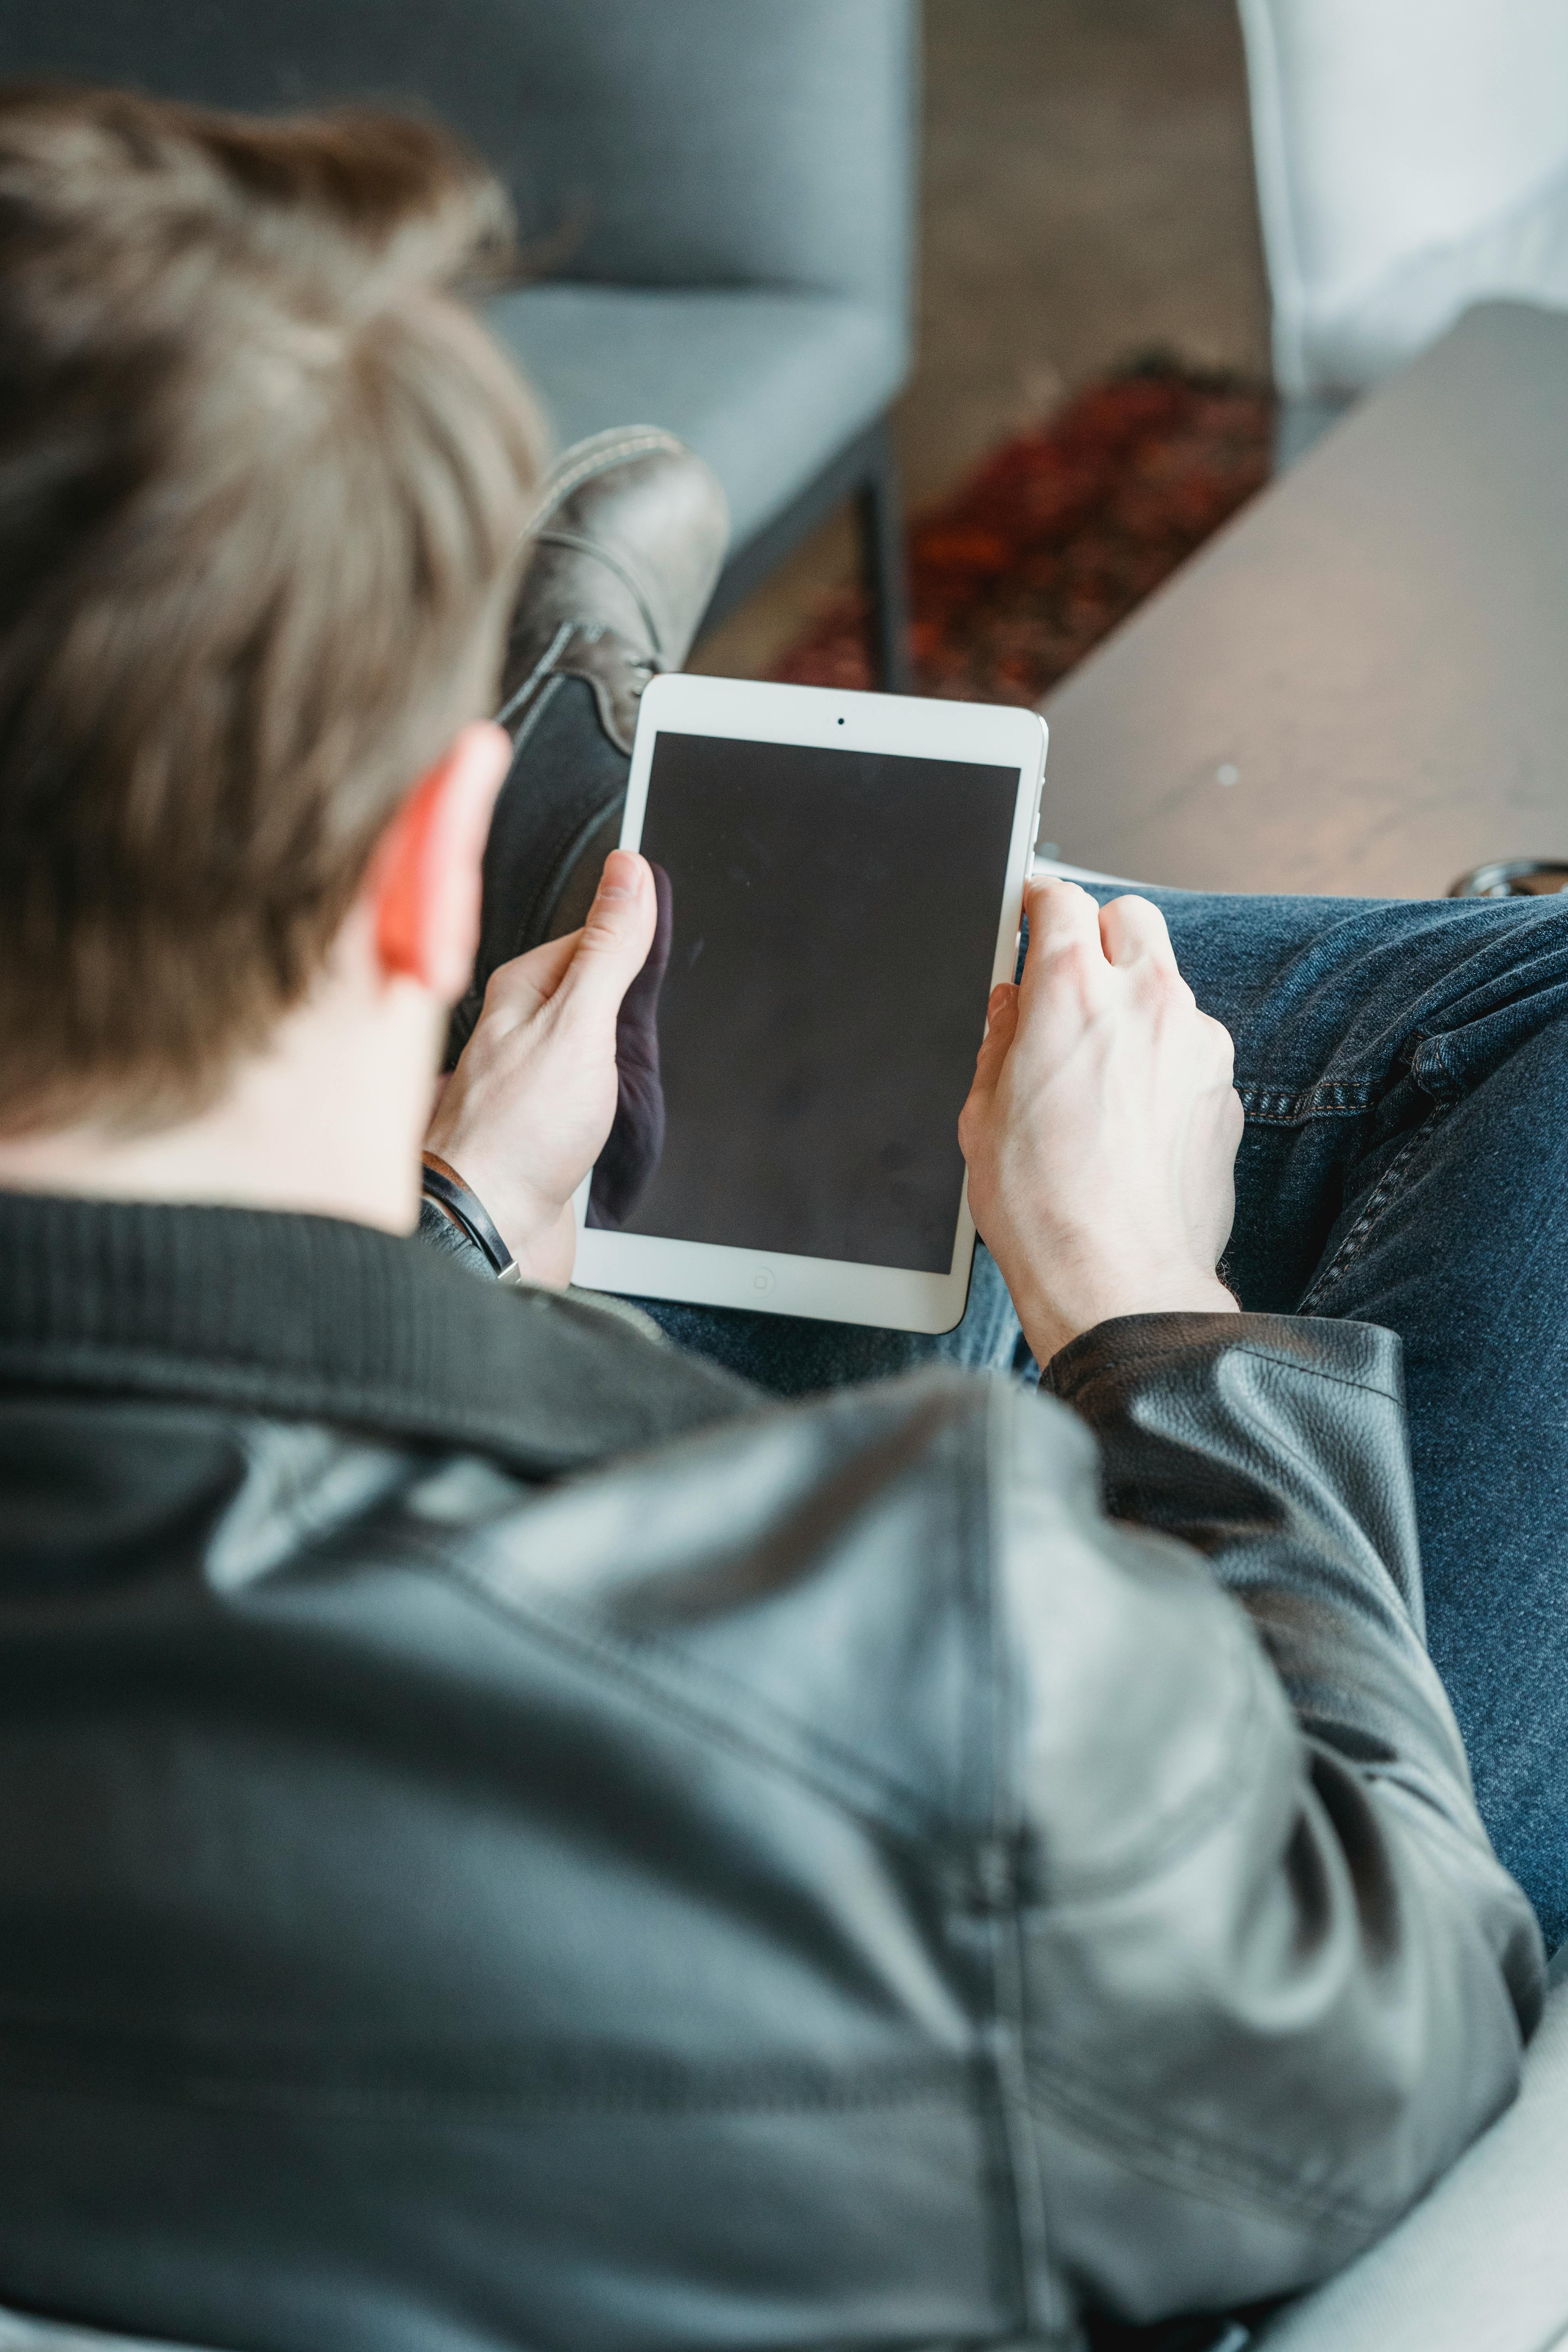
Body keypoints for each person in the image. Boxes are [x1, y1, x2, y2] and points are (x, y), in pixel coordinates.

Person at [0, 83, 1550, 2352]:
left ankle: (582, 789)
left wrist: (457, 1237)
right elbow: (1400, 2029)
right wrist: (1148, 1319)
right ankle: (579, 794)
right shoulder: (935, 1641)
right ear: (404, 881)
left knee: (789, 1075)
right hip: (1144, 2095)